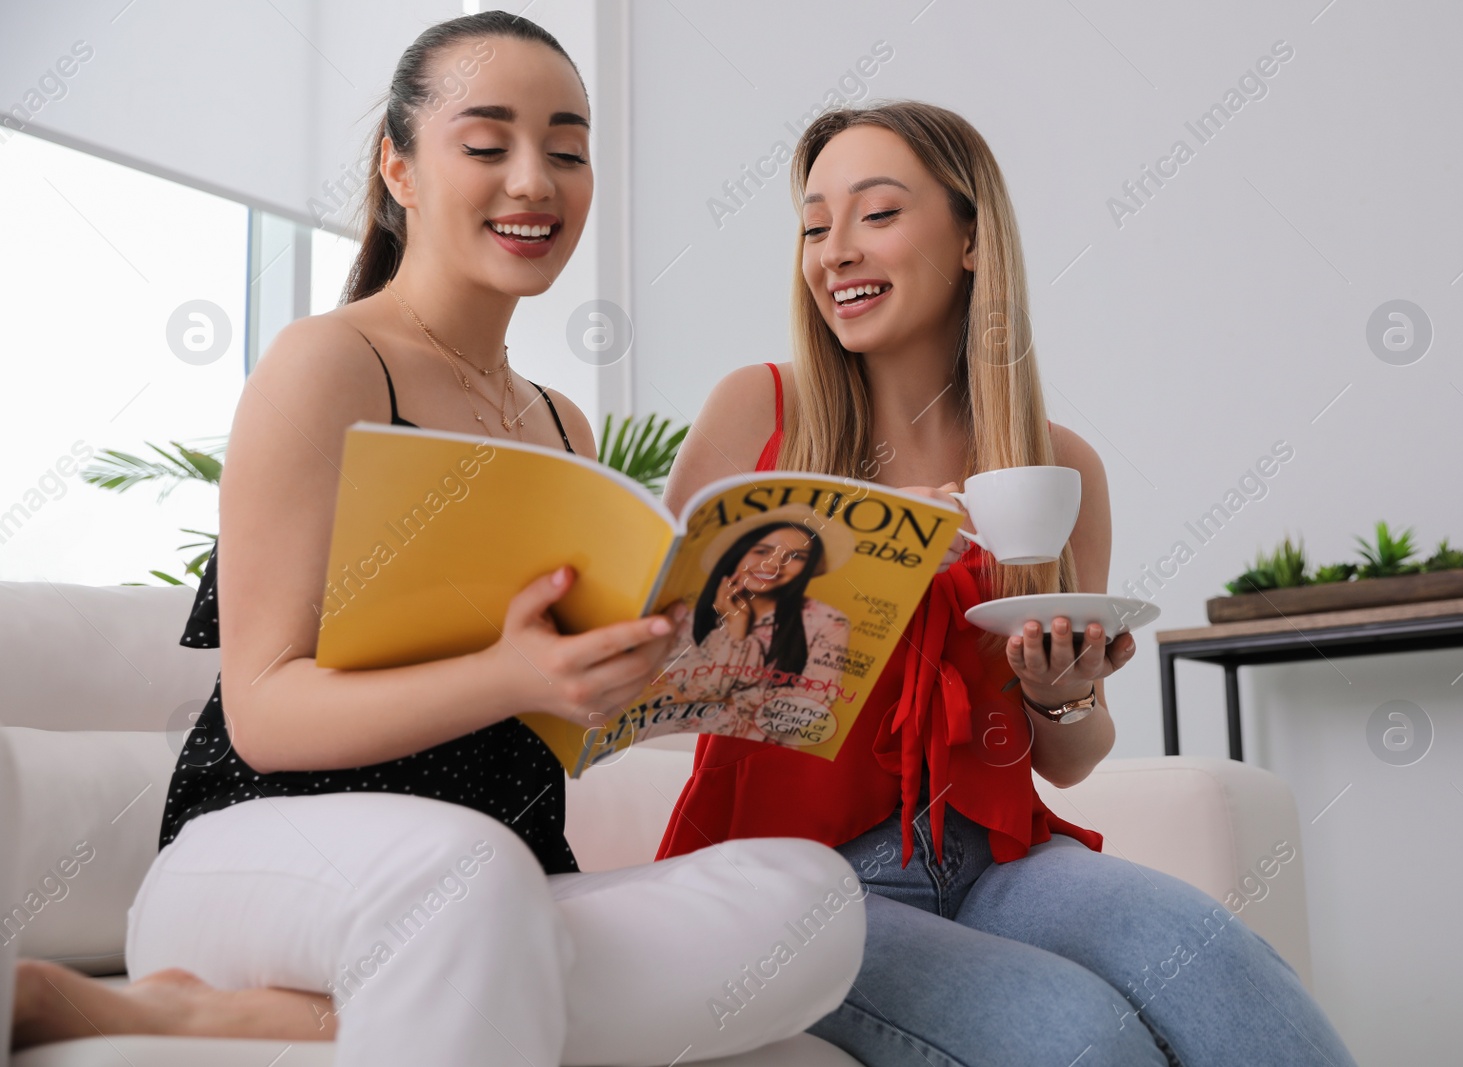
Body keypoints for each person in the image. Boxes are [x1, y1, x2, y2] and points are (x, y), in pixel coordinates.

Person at [8, 14, 863, 1066]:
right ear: (399, 168)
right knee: (465, 876)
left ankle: (268, 1014)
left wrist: (645, 683)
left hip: (508, 874)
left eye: (566, 148)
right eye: (487, 141)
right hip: (269, 851)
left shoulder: (564, 424)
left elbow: (553, 711)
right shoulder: (328, 365)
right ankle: (393, 973)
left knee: (810, 895)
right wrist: (508, 671)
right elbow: (266, 712)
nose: (534, 180)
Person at [657, 100, 1360, 1067]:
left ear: (973, 239)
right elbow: (668, 673)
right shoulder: (758, 411)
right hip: (791, 879)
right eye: (816, 226)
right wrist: (869, 565)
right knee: (1080, 1036)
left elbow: (1068, 759)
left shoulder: (1055, 465)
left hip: (997, 855)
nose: (835, 253)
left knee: (1228, 968)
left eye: (877, 214)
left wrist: (1061, 694)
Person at [660, 507, 851, 742]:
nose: (773, 565)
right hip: (710, 746)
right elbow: (693, 689)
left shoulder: (829, 621)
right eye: (762, 551)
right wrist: (737, 625)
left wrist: (730, 701)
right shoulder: (691, 612)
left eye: (796, 557)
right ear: (738, 553)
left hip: (776, 754)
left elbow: (813, 704)